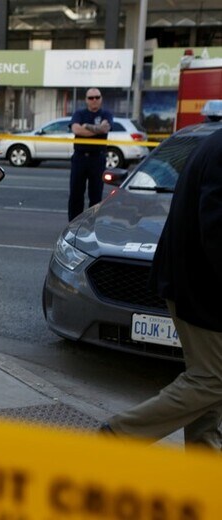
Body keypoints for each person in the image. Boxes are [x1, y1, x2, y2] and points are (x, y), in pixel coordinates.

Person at [101, 128, 222, 449]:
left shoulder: (214, 141)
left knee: (208, 380)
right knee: (213, 379)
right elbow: (217, 230)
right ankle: (118, 436)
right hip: (202, 287)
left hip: (193, 281)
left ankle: (204, 467)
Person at [68, 88, 113, 221]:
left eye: (97, 97)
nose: (94, 100)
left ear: (101, 99)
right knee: (76, 194)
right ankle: (74, 224)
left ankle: (92, 224)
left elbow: (105, 128)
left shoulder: (106, 114)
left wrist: (86, 126)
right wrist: (97, 130)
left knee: (96, 195)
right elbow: (76, 129)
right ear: (86, 100)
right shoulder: (79, 113)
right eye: (91, 98)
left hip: (97, 158)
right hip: (80, 157)